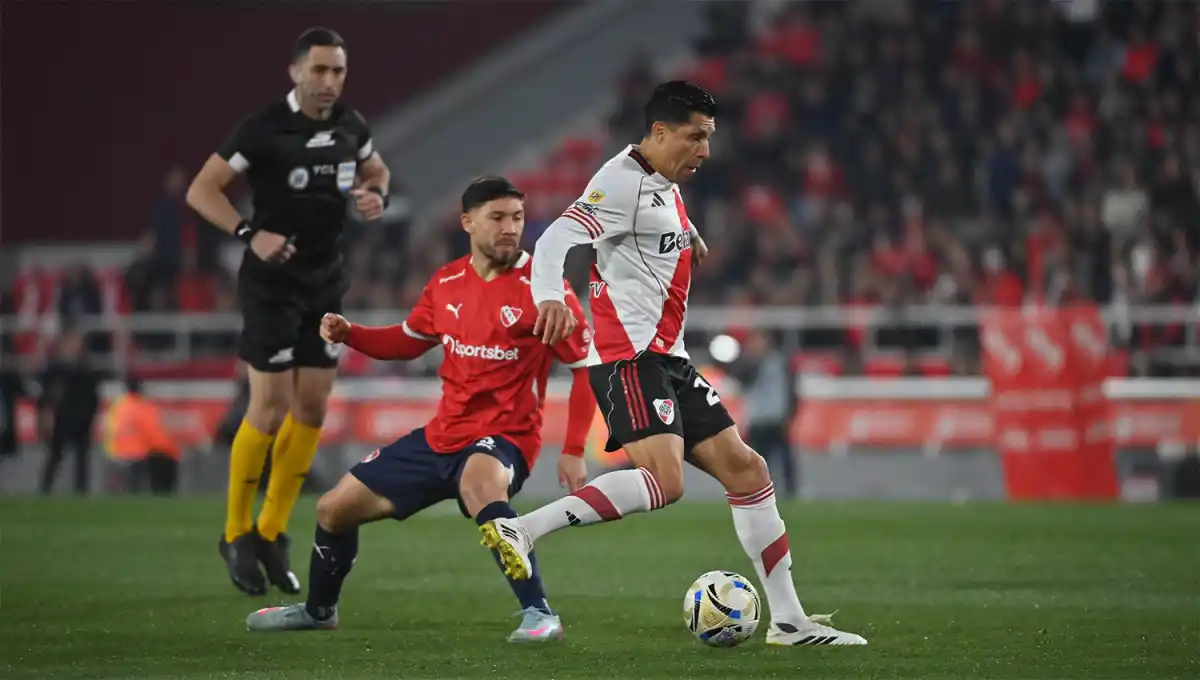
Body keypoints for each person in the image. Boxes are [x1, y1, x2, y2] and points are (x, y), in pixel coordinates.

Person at [480, 81, 867, 646]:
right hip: (629, 360)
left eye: (709, 137)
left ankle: (789, 623)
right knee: (667, 481)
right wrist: (548, 297)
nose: (705, 150)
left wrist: (687, 235)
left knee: (749, 472)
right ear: (659, 133)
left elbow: (651, 220)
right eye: (695, 137)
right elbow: (559, 236)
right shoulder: (619, 183)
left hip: (669, 360)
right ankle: (524, 528)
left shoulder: (662, 180)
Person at [245, 176, 596, 642]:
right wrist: (353, 333)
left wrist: (573, 448)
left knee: (479, 481)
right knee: (332, 509)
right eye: (498, 218)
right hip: (440, 438)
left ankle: (540, 612)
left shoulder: (545, 290)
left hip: (507, 437)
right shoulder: (446, 282)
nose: (511, 228)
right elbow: (408, 341)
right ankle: (318, 610)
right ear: (468, 222)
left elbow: (585, 368)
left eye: (517, 217)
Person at [185, 27, 392, 596]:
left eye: (339, 71)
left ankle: (272, 531)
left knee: (313, 405)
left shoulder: (353, 126)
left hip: (325, 284)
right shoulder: (263, 129)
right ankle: (235, 533)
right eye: (320, 70)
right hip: (271, 286)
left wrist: (378, 195)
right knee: (269, 406)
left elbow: (376, 172)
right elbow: (203, 190)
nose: (330, 81)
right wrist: (249, 232)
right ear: (295, 71)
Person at [38, 328, 101, 495]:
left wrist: (91, 415)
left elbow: (93, 395)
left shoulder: (86, 369)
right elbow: (46, 395)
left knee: (82, 458)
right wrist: (46, 413)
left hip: (82, 418)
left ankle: (81, 492)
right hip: (62, 418)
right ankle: (45, 489)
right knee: (55, 455)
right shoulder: (56, 369)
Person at [101, 377, 181, 495]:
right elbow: (156, 437)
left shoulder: (117, 406)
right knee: (163, 462)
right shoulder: (143, 407)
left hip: (114, 453)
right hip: (136, 455)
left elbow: (106, 429)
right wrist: (174, 451)